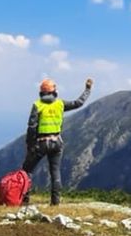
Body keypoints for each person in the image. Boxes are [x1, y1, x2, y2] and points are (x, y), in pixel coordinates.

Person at [21, 77, 92, 205]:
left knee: (27, 170)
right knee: (55, 171)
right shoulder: (60, 104)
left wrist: (30, 145)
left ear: (41, 92)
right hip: (57, 142)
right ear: (54, 91)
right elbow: (78, 103)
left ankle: (24, 200)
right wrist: (87, 89)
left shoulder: (37, 105)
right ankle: (55, 202)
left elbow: (32, 127)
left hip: (41, 143)